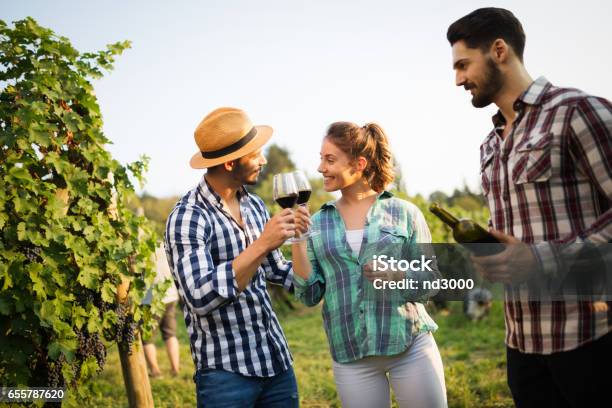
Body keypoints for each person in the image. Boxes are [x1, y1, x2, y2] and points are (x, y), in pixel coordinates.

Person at [447, 8, 612, 408]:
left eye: (464, 65)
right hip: (521, 344)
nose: (458, 80)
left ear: (499, 50)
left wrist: (540, 260)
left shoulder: (576, 111)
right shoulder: (489, 145)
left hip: (590, 339)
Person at [291, 122, 447, 408]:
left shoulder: (404, 213)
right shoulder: (318, 223)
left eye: (329, 159)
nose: (320, 168)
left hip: (410, 348)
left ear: (359, 163)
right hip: (351, 358)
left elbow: (432, 281)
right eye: (321, 158)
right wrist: (298, 241)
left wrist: (397, 273)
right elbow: (309, 294)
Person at [165, 107, 305, 408]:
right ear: (230, 162)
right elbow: (200, 297)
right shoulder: (188, 216)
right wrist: (262, 244)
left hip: (276, 362)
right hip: (226, 375)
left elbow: (280, 271)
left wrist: (330, 266)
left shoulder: (254, 205)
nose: (264, 160)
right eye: (256, 154)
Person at [142, 243, 181, 378]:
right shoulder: (162, 245)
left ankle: (155, 371)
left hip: (150, 297)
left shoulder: (139, 248)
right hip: (170, 293)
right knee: (170, 334)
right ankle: (175, 369)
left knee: (147, 337)